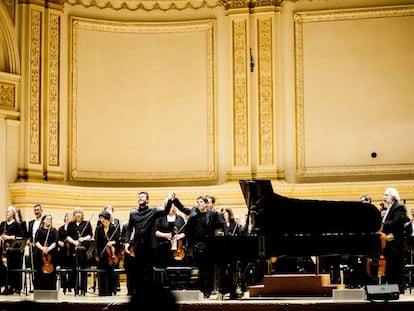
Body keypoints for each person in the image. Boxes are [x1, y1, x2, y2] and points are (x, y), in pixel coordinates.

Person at [171, 193, 228, 298]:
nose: (198, 204)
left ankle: (208, 290)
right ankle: (201, 290)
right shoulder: (193, 212)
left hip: (210, 244)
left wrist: (227, 236)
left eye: (200, 202)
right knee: (201, 269)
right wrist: (175, 200)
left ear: (206, 204)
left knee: (209, 269)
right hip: (197, 245)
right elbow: (183, 209)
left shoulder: (213, 214)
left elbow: (222, 224)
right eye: (197, 202)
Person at [124, 191, 172, 291]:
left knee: (149, 269)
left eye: (143, 197)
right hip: (138, 245)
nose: (140, 198)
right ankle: (139, 291)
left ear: (147, 200)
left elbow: (166, 211)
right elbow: (129, 228)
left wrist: (170, 200)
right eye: (139, 197)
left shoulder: (153, 211)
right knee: (139, 269)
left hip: (150, 245)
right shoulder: (133, 213)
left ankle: (149, 291)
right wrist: (127, 242)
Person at [381, 187, 408, 294]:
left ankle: (398, 289)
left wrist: (381, 226)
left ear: (393, 196)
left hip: (396, 244)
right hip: (389, 243)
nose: (384, 197)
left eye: (386, 195)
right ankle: (391, 288)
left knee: (396, 267)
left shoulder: (399, 207)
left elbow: (396, 223)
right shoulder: (389, 208)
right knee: (390, 268)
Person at [66, 206, 93, 295]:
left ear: (82, 214)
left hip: (84, 249)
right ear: (74, 214)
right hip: (74, 249)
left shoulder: (86, 223)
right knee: (74, 269)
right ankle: (76, 288)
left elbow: (90, 235)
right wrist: (74, 242)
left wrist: (83, 239)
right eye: (76, 213)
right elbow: (67, 236)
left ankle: (83, 289)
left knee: (83, 268)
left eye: (79, 212)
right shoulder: (71, 224)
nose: (78, 214)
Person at [0, 205, 25, 295]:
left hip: (14, 250)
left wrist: (8, 237)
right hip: (3, 249)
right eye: (6, 211)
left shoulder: (17, 224)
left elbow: (21, 236)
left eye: (9, 211)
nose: (7, 213)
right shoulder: (3, 224)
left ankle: (14, 287)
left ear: (13, 214)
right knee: (4, 268)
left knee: (13, 268)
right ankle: (6, 286)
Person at [154, 202, 187, 270]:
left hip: (178, 247)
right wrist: (165, 235)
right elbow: (155, 231)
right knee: (163, 265)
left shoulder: (180, 218)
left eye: (171, 206)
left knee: (177, 266)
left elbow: (185, 232)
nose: (170, 208)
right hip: (163, 246)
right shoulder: (160, 218)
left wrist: (180, 236)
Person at [94, 210, 119, 296]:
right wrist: (96, 254)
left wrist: (112, 243)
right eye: (100, 218)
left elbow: (118, 241)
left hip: (110, 255)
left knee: (110, 272)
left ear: (108, 219)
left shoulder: (114, 227)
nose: (101, 220)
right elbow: (96, 242)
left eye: (102, 218)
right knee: (101, 272)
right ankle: (102, 291)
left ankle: (110, 290)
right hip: (102, 253)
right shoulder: (98, 229)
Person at [33, 214, 59, 290]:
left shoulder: (54, 230)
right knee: (40, 273)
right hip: (40, 254)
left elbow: (55, 242)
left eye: (50, 219)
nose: (49, 220)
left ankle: (51, 290)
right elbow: (36, 241)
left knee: (52, 273)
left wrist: (48, 248)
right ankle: (40, 290)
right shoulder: (39, 230)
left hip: (51, 254)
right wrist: (43, 248)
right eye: (47, 219)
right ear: (43, 220)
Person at [57, 212, 74, 294]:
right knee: (63, 269)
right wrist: (60, 242)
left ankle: (70, 286)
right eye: (66, 216)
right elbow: (58, 238)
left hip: (71, 250)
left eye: (70, 217)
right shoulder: (60, 228)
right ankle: (64, 286)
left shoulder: (73, 228)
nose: (68, 218)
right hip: (63, 251)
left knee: (71, 269)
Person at [27, 204, 43, 289]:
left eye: (38, 210)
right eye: (35, 210)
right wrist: (28, 241)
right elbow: (29, 235)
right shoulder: (31, 223)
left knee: (40, 266)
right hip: (32, 247)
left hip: (40, 247)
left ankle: (40, 286)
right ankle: (34, 286)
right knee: (33, 266)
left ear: (41, 211)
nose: (36, 211)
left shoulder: (44, 221)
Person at [121, 220, 136, 295]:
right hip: (128, 251)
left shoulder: (141, 226)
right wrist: (129, 240)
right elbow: (122, 239)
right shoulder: (125, 226)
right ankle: (130, 290)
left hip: (138, 251)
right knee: (129, 272)